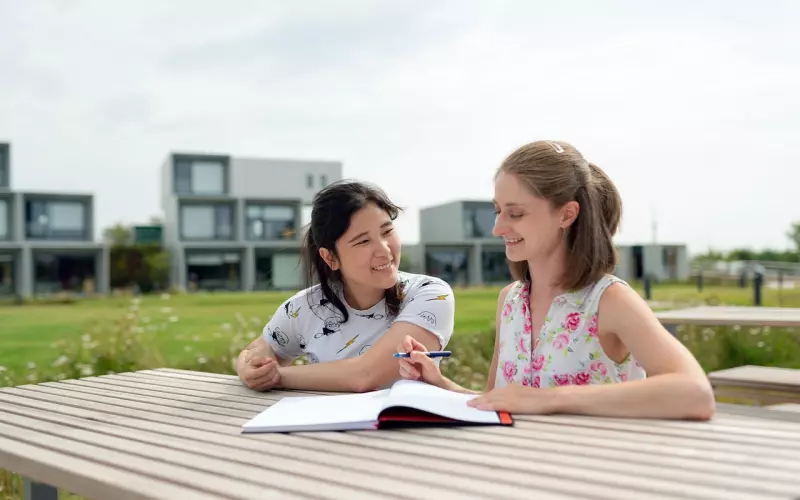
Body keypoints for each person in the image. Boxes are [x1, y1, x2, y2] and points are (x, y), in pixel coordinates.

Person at [397, 140, 716, 420]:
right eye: (498, 211)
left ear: (566, 214)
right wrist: (439, 383)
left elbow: (696, 393)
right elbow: (500, 402)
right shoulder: (509, 301)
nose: (498, 228)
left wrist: (549, 400)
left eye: (515, 213)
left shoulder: (610, 301)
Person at [236, 180, 455, 393]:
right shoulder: (304, 308)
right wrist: (249, 368)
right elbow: (256, 351)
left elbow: (366, 375)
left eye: (387, 232)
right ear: (330, 257)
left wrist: (277, 377)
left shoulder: (430, 294)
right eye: (363, 241)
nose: (385, 250)